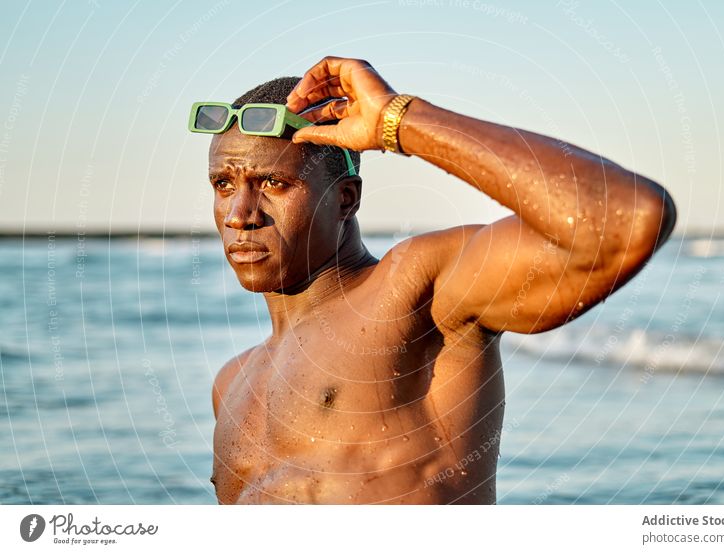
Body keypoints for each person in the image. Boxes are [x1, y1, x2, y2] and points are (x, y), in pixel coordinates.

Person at [203, 56, 676, 504]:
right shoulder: (232, 383)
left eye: (274, 184)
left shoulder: (416, 288)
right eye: (224, 185)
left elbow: (627, 221)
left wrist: (398, 121)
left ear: (345, 199)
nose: (241, 215)